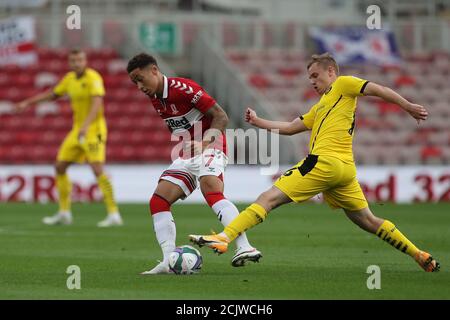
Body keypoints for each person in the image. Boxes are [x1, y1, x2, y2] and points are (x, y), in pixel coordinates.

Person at [189, 52, 440, 272]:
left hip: (323, 163)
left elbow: (378, 89)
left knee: (268, 198)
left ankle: (225, 236)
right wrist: (258, 121)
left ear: (331, 71)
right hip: (345, 171)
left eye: (315, 75)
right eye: (309, 78)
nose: (312, 81)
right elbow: (290, 127)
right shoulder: (321, 107)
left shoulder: (344, 84)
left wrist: (407, 106)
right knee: (367, 220)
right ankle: (418, 254)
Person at [126, 53, 262, 274]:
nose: (139, 86)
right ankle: (168, 261)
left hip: (212, 144)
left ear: (154, 70)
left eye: (140, 78)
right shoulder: (155, 98)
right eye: (135, 82)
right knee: (158, 200)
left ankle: (244, 246)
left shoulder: (183, 88)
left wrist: (204, 143)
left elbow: (221, 116)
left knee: (211, 190)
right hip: (189, 153)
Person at [15, 49, 123, 227]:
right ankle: (64, 212)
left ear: (85, 60)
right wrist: (28, 103)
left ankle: (114, 214)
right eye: (73, 61)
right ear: (69, 62)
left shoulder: (93, 78)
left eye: (79, 60)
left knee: (97, 170)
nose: (76, 63)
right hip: (77, 131)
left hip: (94, 130)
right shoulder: (69, 79)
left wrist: (87, 125)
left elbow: (97, 102)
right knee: (60, 166)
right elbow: (52, 95)